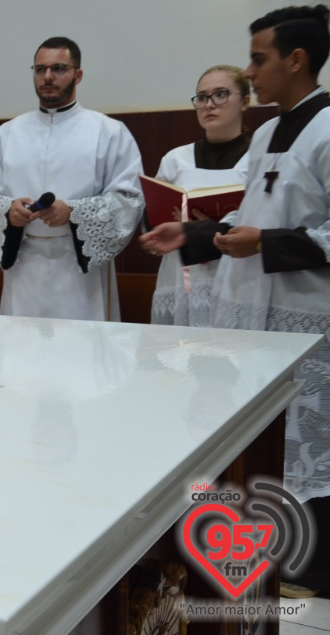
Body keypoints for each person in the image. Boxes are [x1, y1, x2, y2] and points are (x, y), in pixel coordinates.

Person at [141, 4, 330, 596]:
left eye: (258, 58)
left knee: (308, 441)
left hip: (307, 316)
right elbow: (248, 218)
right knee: (256, 442)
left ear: (296, 60)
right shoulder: (270, 132)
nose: (251, 72)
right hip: (248, 316)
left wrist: (266, 242)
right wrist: (193, 234)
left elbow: (278, 231)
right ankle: (255, 560)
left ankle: (311, 572)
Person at [0, 37, 144, 321]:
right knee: (23, 355)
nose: (48, 76)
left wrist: (73, 213)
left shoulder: (109, 132)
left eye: (59, 68)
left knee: (82, 357)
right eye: (40, 69)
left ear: (78, 75)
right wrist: (7, 210)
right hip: (24, 268)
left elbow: (129, 200)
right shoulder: (7, 134)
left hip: (81, 271)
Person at [150, 66, 251, 327]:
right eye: (202, 97)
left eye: (221, 95)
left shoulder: (258, 159)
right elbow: (152, 219)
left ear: (245, 102)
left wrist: (211, 227)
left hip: (238, 276)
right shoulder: (176, 160)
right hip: (181, 276)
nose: (209, 105)